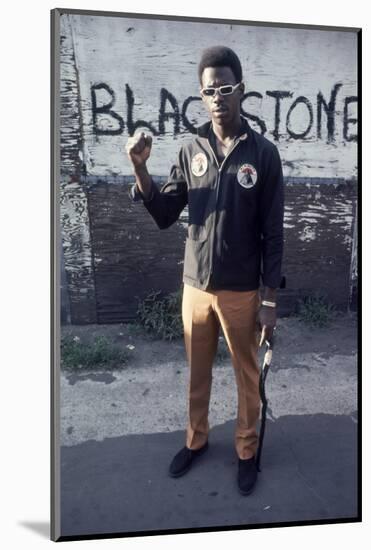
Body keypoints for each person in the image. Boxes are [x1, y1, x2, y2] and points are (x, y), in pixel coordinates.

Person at [126, 45, 284, 495]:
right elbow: (163, 212)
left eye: (226, 88)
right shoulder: (189, 149)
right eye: (209, 90)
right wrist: (140, 171)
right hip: (194, 288)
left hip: (241, 293)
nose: (218, 97)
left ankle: (246, 450)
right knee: (197, 374)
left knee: (246, 377)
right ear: (201, 95)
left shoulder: (264, 155)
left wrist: (269, 300)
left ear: (241, 91)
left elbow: (274, 235)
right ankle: (195, 441)